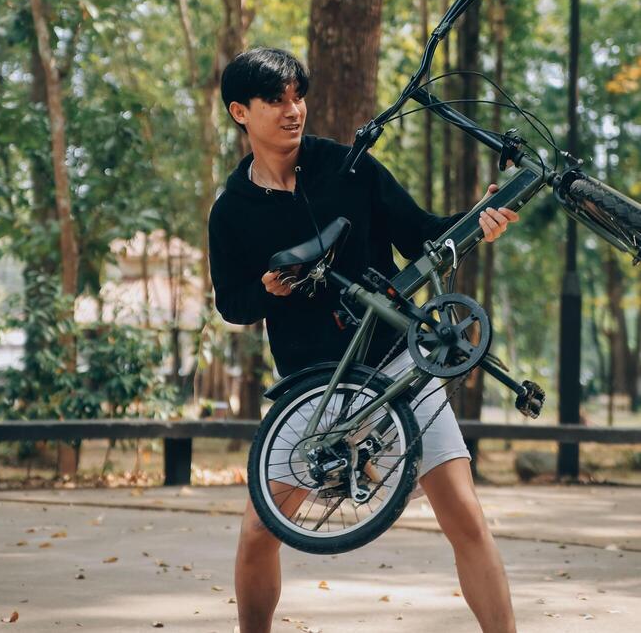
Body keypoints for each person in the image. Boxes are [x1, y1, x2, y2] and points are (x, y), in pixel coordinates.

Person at [208, 47, 520, 633]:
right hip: (314, 385)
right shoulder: (232, 211)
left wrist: (478, 216)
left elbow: (421, 231)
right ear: (239, 113)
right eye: (275, 100)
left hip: (394, 358)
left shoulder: (348, 169)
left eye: (298, 95)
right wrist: (268, 291)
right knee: (258, 530)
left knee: (465, 516)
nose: (293, 109)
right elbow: (231, 303)